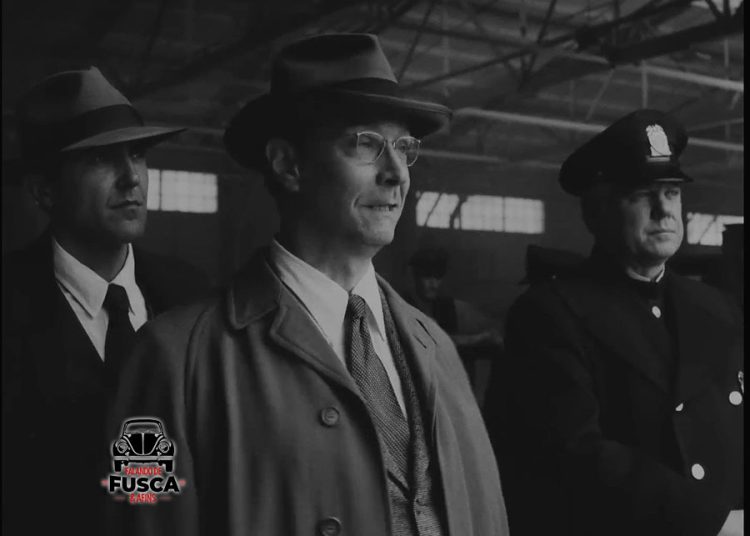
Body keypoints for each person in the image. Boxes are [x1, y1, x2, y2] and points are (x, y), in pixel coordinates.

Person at [104, 33, 509, 536]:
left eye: (404, 148)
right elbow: (141, 519)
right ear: (288, 164)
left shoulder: (437, 348)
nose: (396, 174)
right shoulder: (171, 359)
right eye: (366, 144)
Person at [483, 109, 743, 536]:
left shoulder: (717, 307)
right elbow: (574, 453)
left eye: (672, 192)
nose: (664, 209)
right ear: (596, 212)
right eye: (642, 194)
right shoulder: (549, 314)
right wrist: (714, 523)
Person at [2, 67, 208, 536]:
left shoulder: (192, 294)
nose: (131, 178)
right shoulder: (10, 301)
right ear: (43, 190)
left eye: (137, 154)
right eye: (100, 158)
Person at [406, 247, 503, 389]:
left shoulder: (447, 306)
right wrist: (481, 337)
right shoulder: (405, 306)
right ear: (416, 277)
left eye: (437, 278)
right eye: (427, 277)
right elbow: (437, 341)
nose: (433, 284)